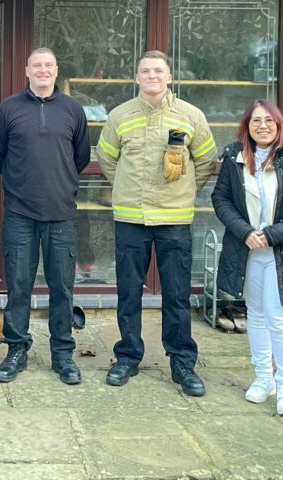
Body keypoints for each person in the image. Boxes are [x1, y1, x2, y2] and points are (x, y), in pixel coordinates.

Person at [97, 51, 216, 396]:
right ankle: (128, 357)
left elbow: (206, 159)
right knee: (128, 291)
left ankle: (182, 363)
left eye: (158, 70)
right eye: (145, 71)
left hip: (175, 219)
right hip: (131, 218)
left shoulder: (191, 116)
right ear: (137, 78)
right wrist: (127, 189)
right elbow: (107, 158)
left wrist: (185, 191)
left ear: (169, 76)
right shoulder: (120, 116)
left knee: (177, 295)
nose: (152, 76)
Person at [211, 100, 283, 416]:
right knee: (255, 315)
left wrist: (272, 234)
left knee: (278, 317)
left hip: (282, 250)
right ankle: (263, 378)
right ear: (247, 125)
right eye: (255, 120)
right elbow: (221, 199)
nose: (262, 125)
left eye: (268, 120)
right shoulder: (235, 157)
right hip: (247, 250)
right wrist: (244, 231)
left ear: (279, 124)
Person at [0, 48, 91, 385]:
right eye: (37, 66)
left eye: (48, 65)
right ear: (26, 70)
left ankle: (62, 354)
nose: (43, 70)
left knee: (62, 287)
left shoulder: (73, 110)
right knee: (18, 286)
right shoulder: (9, 108)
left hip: (61, 214)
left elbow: (80, 156)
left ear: (56, 70)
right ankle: (16, 349)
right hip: (19, 213)